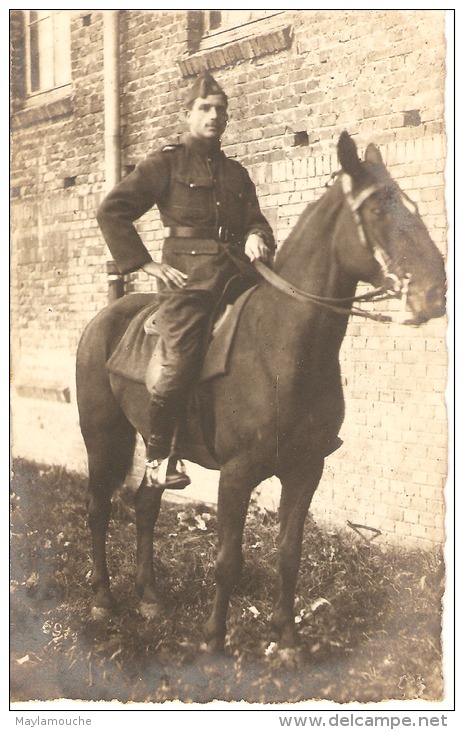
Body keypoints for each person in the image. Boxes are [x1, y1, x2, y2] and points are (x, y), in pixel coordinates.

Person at [97, 71, 275, 489]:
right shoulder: (165, 164)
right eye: (205, 109)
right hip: (189, 282)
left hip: (240, 275)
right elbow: (112, 211)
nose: (214, 116)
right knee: (178, 361)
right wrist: (144, 264)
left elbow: (257, 220)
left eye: (221, 110)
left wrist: (256, 236)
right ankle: (160, 458)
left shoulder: (236, 174)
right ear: (188, 114)